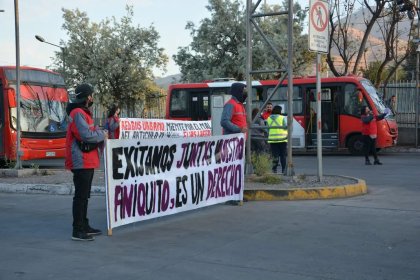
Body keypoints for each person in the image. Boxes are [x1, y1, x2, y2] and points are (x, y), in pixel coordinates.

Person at [65, 83, 108, 241]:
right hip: (81, 160)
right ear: (88, 97)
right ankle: (78, 230)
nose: (93, 97)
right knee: (81, 196)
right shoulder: (78, 113)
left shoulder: (84, 112)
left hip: (87, 160)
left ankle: (84, 224)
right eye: (91, 95)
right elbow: (87, 135)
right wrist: (102, 135)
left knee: (85, 196)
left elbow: (93, 130)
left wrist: (99, 132)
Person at [267, 105, 288, 174]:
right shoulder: (282, 118)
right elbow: (286, 127)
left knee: (275, 156)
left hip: (272, 140)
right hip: (282, 139)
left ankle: (274, 169)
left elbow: (267, 129)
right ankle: (284, 170)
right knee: (283, 156)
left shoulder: (269, 118)